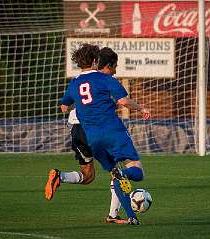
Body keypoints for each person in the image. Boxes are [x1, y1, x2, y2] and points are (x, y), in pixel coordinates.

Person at [48, 44, 150, 225]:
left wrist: (81, 104)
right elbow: (123, 101)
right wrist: (142, 108)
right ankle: (122, 200)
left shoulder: (75, 82)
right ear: (96, 61)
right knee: (134, 170)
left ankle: (125, 216)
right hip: (111, 130)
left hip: (88, 135)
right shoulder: (104, 79)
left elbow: (64, 107)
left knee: (91, 176)